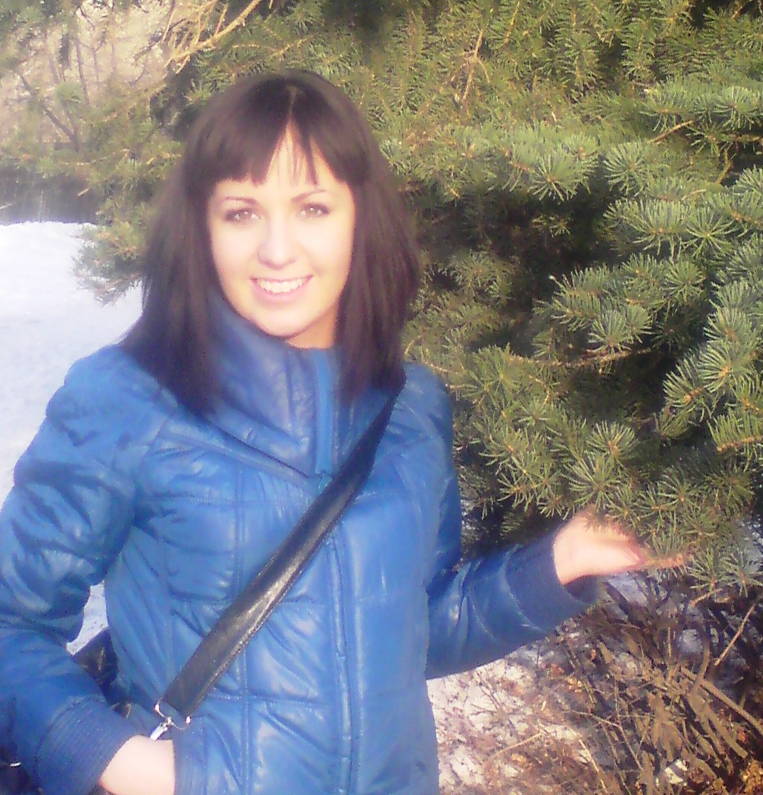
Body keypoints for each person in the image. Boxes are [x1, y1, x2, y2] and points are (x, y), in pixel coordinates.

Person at [0, 70, 660, 795]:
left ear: (358, 217)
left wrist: (560, 562)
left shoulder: (410, 409)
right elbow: (11, 625)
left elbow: (414, 629)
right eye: (242, 213)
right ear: (202, 228)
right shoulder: (127, 401)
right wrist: (126, 763)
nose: (277, 250)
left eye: (312, 208)